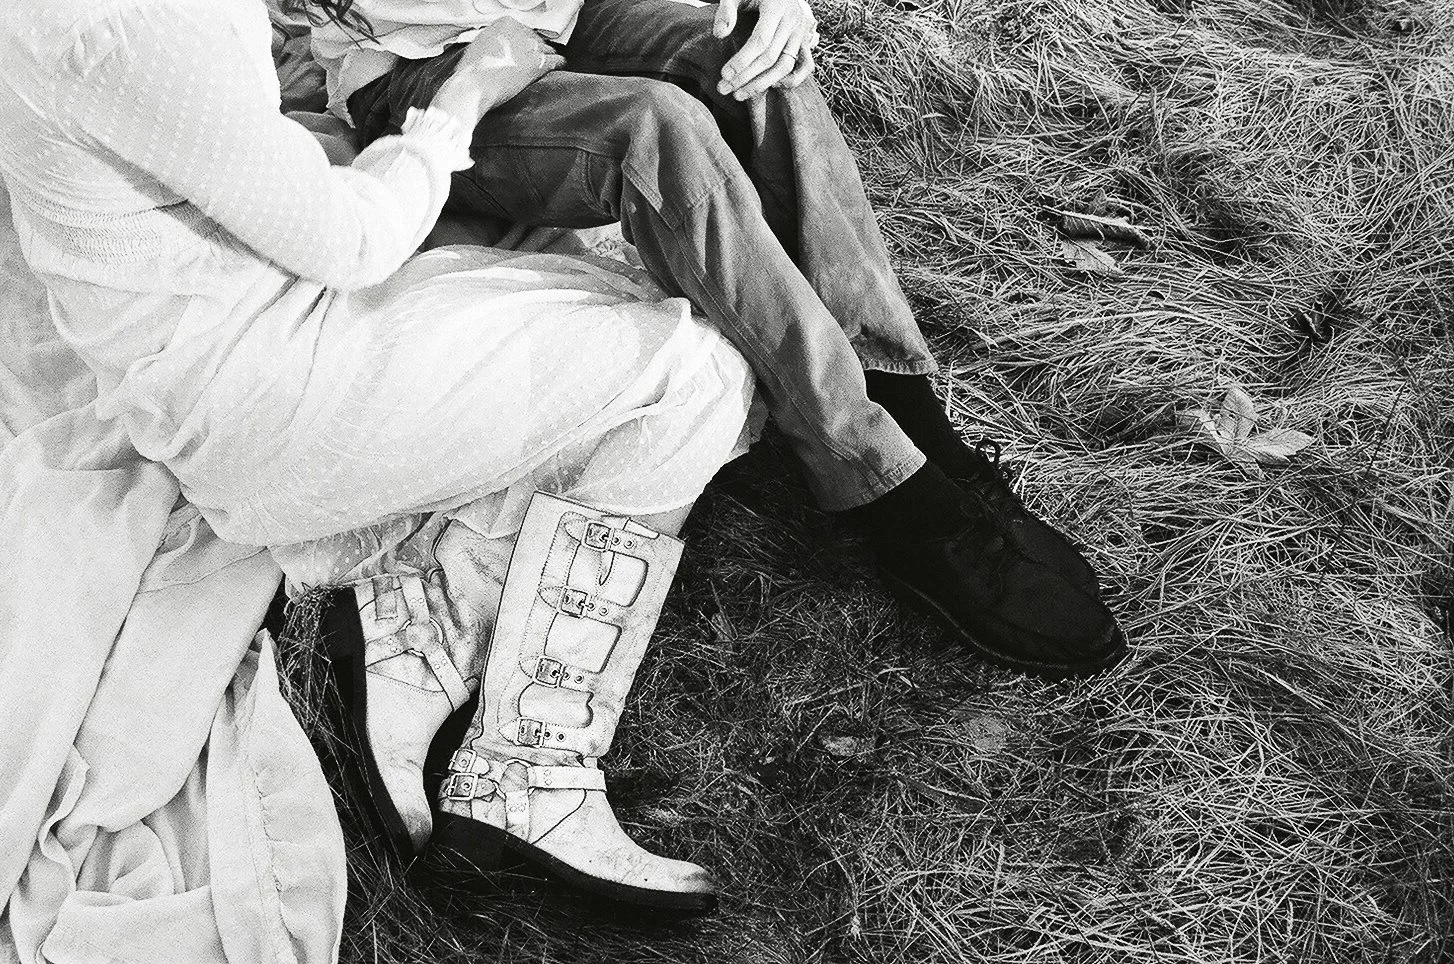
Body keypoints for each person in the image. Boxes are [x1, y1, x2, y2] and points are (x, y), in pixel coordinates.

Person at [0, 0, 760, 913]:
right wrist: (468, 90)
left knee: (594, 288)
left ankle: (421, 633)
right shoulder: (132, 28)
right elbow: (353, 241)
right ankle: (529, 770)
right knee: (700, 372)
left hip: (226, 335)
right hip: (263, 390)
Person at [304, 0, 1128, 687]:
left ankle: (907, 408)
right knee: (657, 125)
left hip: (564, 13)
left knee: (753, 61)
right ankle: (883, 483)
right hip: (427, 66)